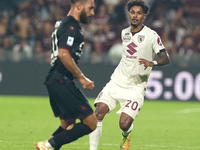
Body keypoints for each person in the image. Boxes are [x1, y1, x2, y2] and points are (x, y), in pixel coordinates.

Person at [89, 0, 170, 150]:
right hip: (117, 82)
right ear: (129, 14)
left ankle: (126, 135)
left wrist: (153, 63)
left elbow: (166, 58)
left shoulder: (152, 35)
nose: (135, 15)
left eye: (139, 13)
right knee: (98, 113)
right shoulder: (124, 33)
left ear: (144, 15)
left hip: (136, 87)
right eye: (132, 12)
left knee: (124, 123)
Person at [35, 0, 97, 150]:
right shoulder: (70, 26)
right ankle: (49, 145)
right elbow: (63, 54)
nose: (92, 13)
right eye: (90, 8)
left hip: (55, 80)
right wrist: (82, 77)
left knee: (68, 123)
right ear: (79, 6)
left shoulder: (63, 23)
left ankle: (48, 146)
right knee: (91, 123)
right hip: (61, 80)